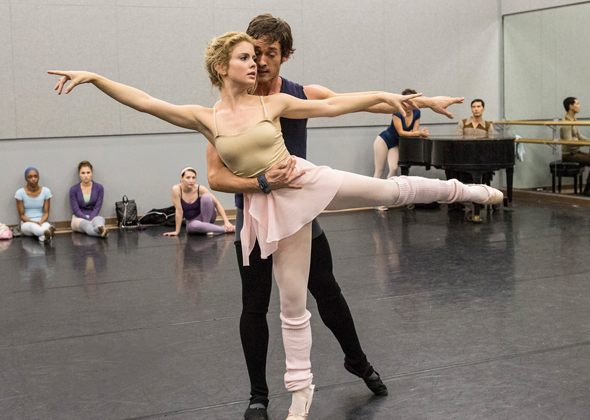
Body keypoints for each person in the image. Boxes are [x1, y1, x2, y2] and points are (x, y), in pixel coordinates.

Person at [48, 32, 502, 419]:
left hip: (304, 180)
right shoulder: (207, 119)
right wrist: (95, 78)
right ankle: (300, 395)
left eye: (259, 56)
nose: (256, 64)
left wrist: (404, 99)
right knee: (290, 303)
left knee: (386, 192)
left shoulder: (274, 102)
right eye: (246, 57)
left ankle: (466, 191)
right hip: (269, 209)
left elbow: (338, 104)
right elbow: (146, 102)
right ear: (221, 67)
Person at [373, 88, 429, 211]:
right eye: (407, 102)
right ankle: (373, 200)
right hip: (383, 140)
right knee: (379, 171)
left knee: (394, 168)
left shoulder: (417, 113)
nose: (409, 105)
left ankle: (385, 199)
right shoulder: (397, 112)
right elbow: (401, 132)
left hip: (395, 143)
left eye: (412, 102)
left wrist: (421, 133)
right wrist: (419, 133)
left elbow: (414, 132)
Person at [163, 167, 234, 236]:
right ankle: (225, 229)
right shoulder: (176, 189)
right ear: (181, 178)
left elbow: (217, 204)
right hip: (192, 222)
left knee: (206, 197)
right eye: (188, 178)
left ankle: (207, 227)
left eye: (193, 178)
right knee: (194, 225)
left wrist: (226, 221)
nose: (191, 181)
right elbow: (179, 211)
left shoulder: (200, 189)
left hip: (207, 217)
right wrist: (177, 231)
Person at [451, 99, 495, 185]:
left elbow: (490, 144)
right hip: (465, 156)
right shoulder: (463, 123)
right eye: (473, 107)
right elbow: (459, 141)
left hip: (481, 158)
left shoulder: (488, 125)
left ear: (483, 109)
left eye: (478, 106)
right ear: (471, 109)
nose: (476, 109)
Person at [15, 167, 55, 244]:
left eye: (35, 176)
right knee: (33, 227)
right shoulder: (20, 193)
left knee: (46, 226)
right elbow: (22, 216)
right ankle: (46, 232)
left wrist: (41, 222)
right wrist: (33, 222)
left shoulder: (46, 191)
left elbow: (46, 213)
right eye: (30, 177)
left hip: (42, 222)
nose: (33, 179)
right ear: (26, 179)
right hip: (27, 223)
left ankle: (44, 235)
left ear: (38, 177)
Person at [70, 160, 108, 238]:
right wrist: (88, 220)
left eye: (88, 172)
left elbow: (97, 207)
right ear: (79, 174)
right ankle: (102, 233)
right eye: (83, 173)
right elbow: (76, 210)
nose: (86, 175)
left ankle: (100, 228)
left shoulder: (99, 188)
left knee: (100, 220)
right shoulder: (73, 190)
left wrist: (91, 218)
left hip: (94, 216)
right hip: (78, 218)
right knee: (87, 225)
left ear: (92, 173)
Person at [561, 97, 590, 196]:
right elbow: (569, 142)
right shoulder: (566, 122)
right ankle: (588, 190)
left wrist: (589, 142)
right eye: (577, 104)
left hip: (576, 152)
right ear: (571, 106)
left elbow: (578, 136)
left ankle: (588, 189)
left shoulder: (573, 120)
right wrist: (582, 142)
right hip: (569, 155)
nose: (579, 106)